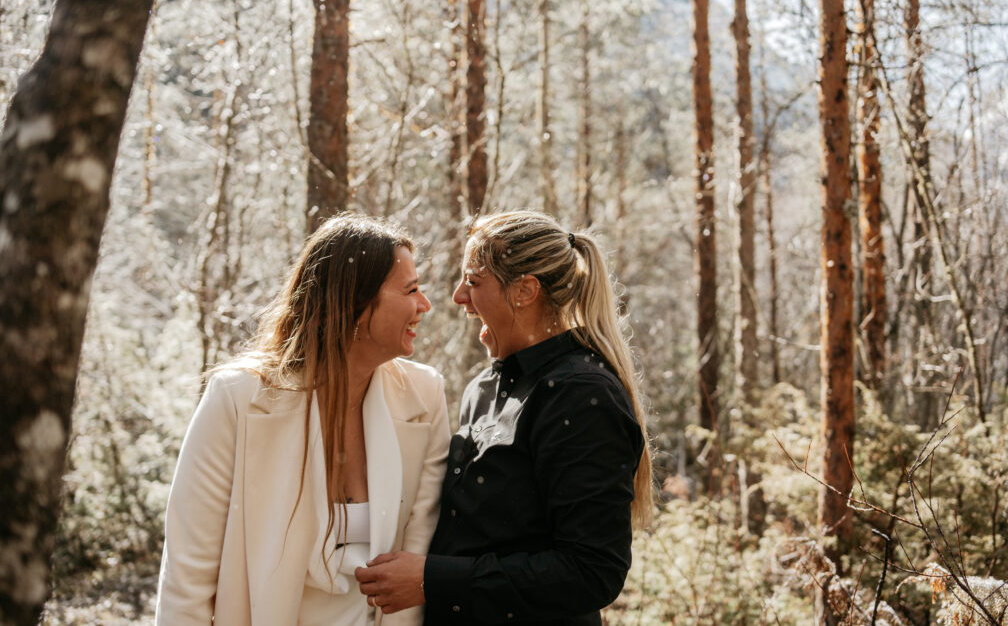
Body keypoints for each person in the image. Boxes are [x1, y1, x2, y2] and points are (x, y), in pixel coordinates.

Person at [355, 210, 653, 625]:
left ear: (524, 291)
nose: (458, 297)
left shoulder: (581, 395)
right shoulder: (484, 387)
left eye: (473, 282)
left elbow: (592, 572)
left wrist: (432, 578)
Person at [156, 213, 451, 626]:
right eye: (412, 289)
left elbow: (416, 558)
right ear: (353, 304)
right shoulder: (238, 399)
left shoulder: (425, 397)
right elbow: (188, 573)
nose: (425, 304)